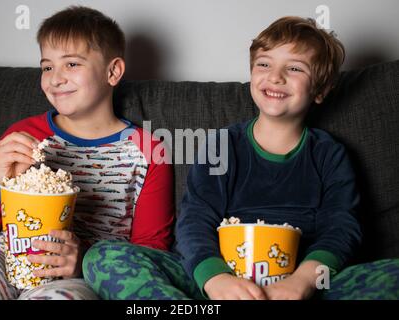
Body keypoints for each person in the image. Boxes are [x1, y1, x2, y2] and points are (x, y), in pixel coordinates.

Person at [82, 16, 399, 300]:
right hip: (219, 285)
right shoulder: (222, 146)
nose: (275, 77)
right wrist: (216, 279)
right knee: (104, 257)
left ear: (320, 89)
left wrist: (304, 280)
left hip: (302, 286)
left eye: (294, 68)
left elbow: (341, 226)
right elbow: (196, 219)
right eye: (264, 64)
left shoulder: (329, 154)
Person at [0, 6, 174, 300]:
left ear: (113, 71)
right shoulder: (22, 136)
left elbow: (150, 253)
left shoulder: (148, 151)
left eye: (71, 64)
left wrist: (82, 263)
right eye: (47, 67)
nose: (55, 78)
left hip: (77, 278)